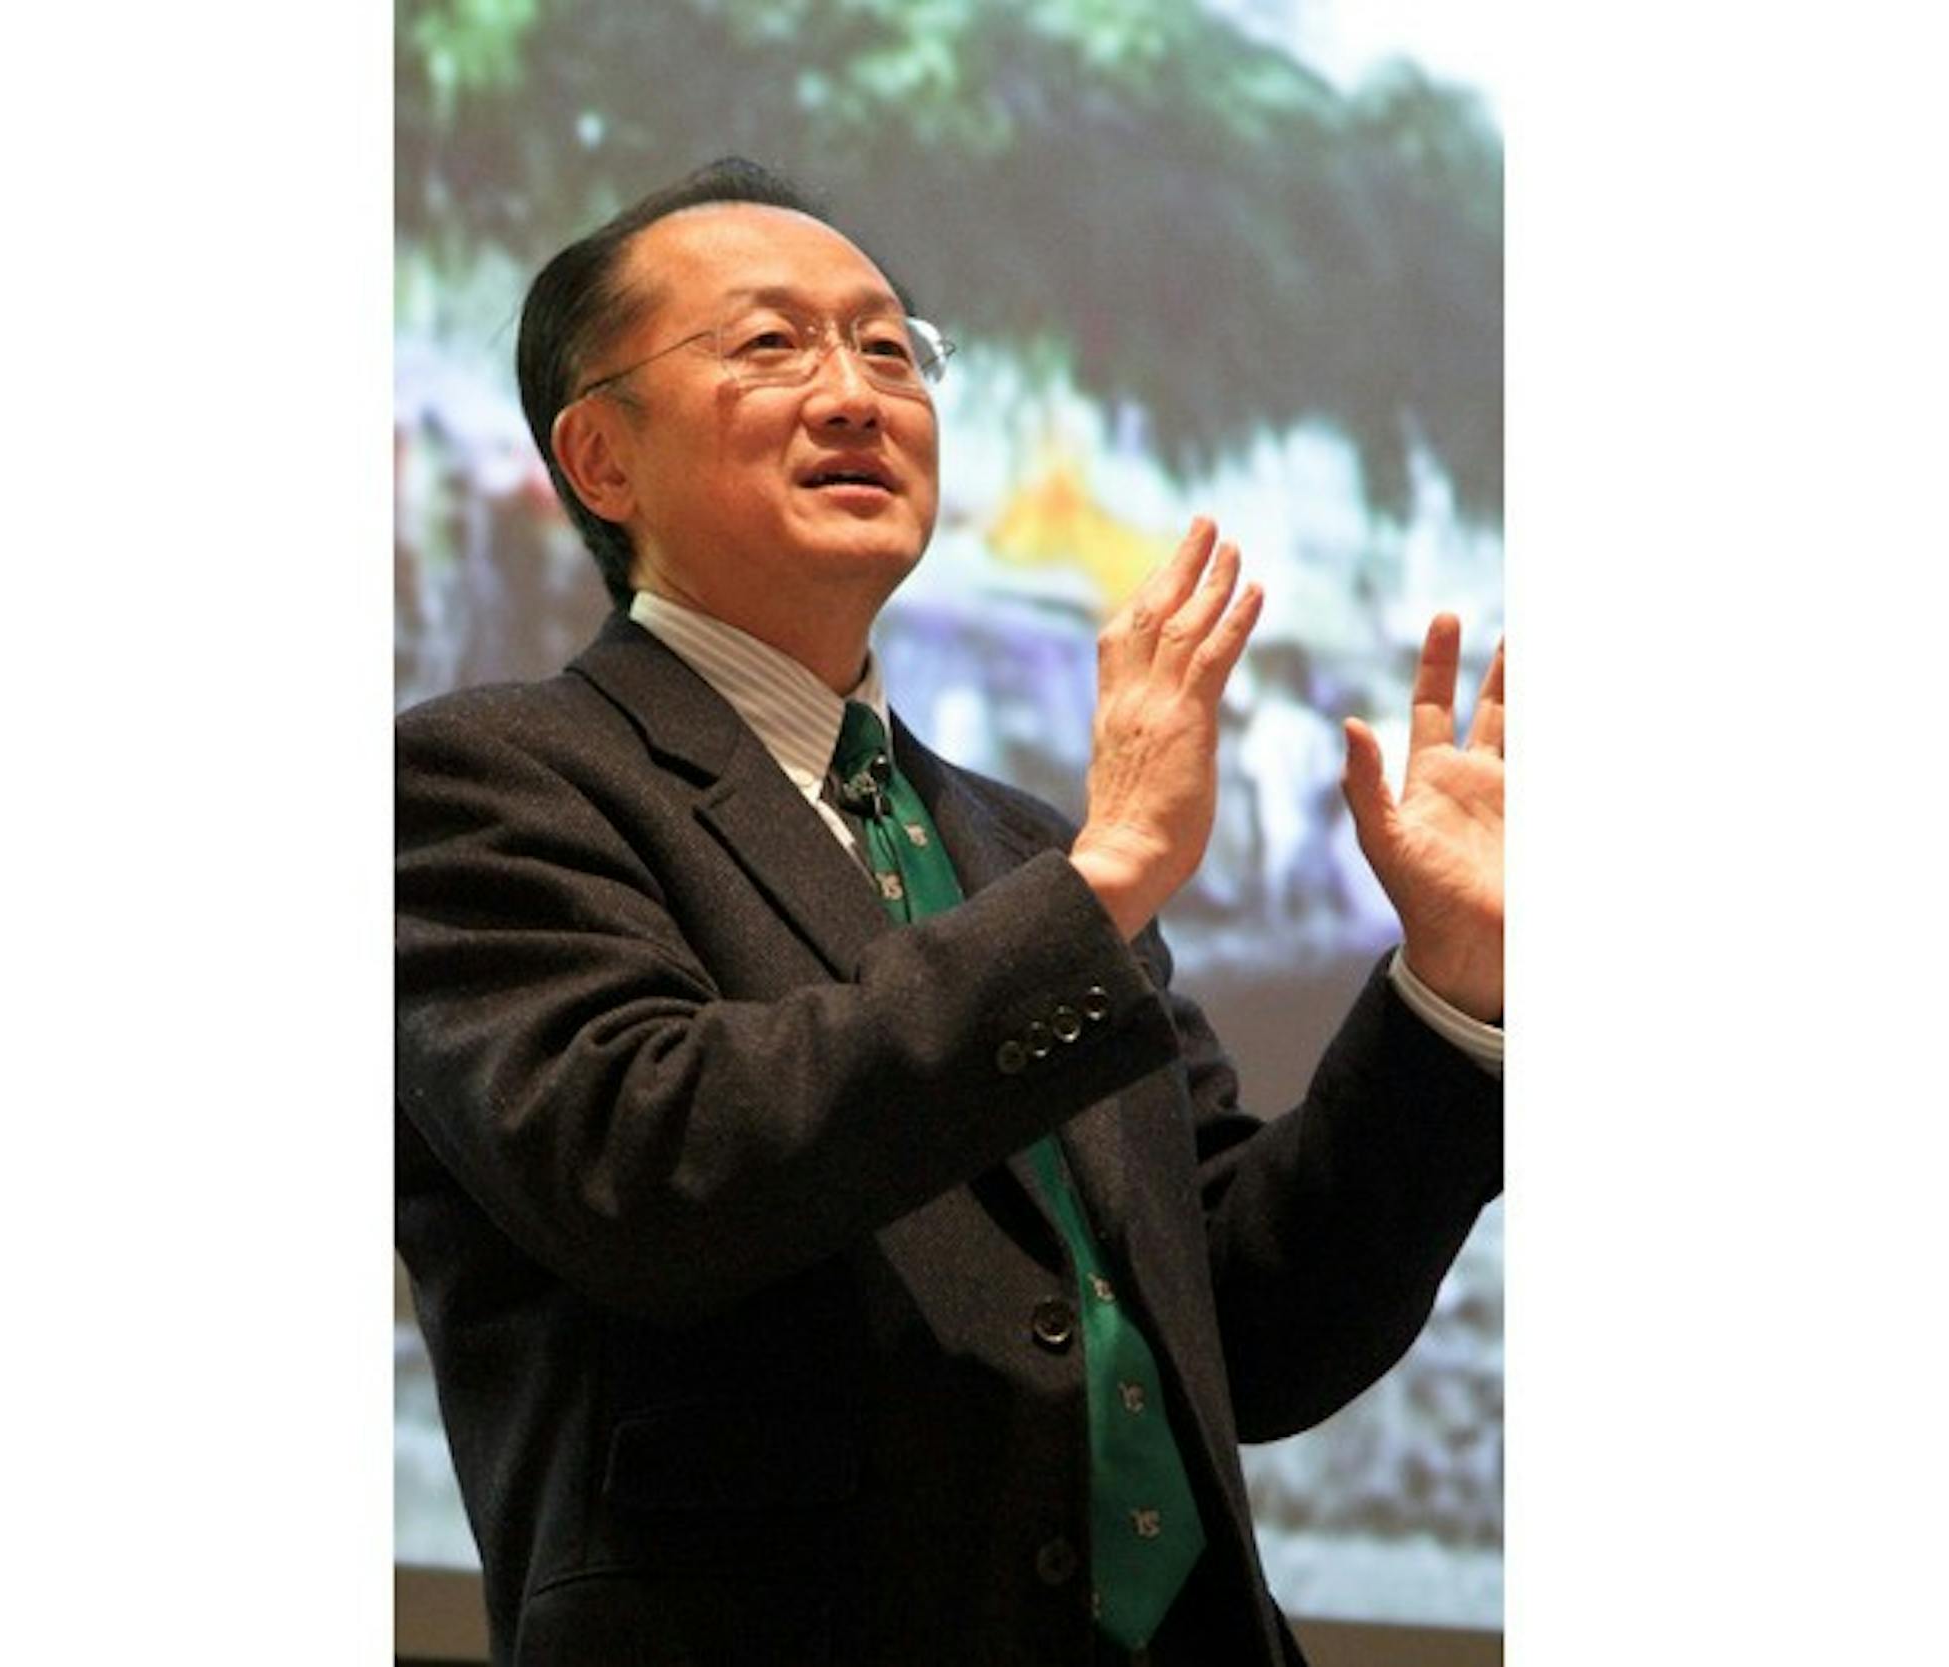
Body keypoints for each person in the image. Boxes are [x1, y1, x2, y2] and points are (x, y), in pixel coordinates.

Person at [396, 157, 1504, 1667]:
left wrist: (1450, 995)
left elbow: (1244, 1321)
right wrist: (1105, 884)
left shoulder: (1013, 846)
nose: (855, 394)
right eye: (770, 345)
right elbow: (651, 1165)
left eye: (889, 346)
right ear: (601, 459)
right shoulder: (487, 778)